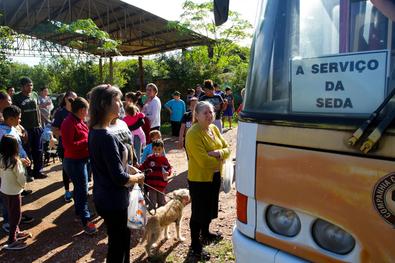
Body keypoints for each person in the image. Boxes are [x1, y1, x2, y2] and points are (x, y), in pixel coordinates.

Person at [88, 84, 144, 263]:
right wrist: (138, 177)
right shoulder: (106, 136)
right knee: (118, 245)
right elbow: (119, 178)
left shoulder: (95, 131)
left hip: (105, 197)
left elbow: (110, 166)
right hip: (113, 200)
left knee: (119, 240)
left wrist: (128, 168)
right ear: (105, 104)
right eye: (117, 100)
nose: (121, 104)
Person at [185, 101, 230, 259]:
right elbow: (203, 162)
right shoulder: (193, 133)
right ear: (196, 115)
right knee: (198, 212)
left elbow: (228, 149)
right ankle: (195, 245)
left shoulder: (214, 128)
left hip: (214, 176)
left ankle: (206, 233)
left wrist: (217, 153)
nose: (209, 115)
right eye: (205, 113)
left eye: (211, 112)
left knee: (210, 207)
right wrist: (221, 157)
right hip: (199, 179)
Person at [61, 97, 97, 235]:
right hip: (74, 161)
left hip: (83, 159)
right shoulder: (68, 123)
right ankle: (85, 220)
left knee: (80, 188)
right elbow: (68, 146)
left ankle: (79, 211)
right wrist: (87, 141)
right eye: (86, 110)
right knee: (82, 190)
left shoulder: (79, 121)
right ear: (82, 110)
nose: (87, 112)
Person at [0, 135, 33, 250]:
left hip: (4, 190)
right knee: (16, 215)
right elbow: (21, 177)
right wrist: (23, 186)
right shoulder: (16, 162)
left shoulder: (2, 158)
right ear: (15, 148)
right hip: (14, 192)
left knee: (10, 212)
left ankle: (16, 232)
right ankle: (12, 240)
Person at [12, 77, 46, 179]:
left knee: (39, 150)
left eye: (31, 85)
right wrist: (19, 128)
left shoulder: (35, 94)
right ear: (22, 87)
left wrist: (40, 124)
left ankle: (38, 171)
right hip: (25, 128)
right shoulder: (16, 97)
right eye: (28, 85)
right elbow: (15, 114)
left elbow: (38, 110)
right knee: (26, 151)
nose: (30, 87)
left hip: (36, 127)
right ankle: (28, 172)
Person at [52, 91, 77, 202]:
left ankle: (77, 191)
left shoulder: (78, 111)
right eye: (71, 98)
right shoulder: (60, 112)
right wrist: (67, 133)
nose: (73, 100)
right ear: (66, 99)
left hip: (78, 146)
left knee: (79, 169)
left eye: (75, 98)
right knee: (66, 169)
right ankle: (67, 191)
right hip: (65, 146)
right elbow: (55, 130)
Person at [139, 139, 172, 210]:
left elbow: (169, 168)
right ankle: (152, 218)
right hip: (152, 185)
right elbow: (143, 166)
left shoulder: (164, 160)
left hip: (161, 185)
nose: (157, 151)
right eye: (155, 149)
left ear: (162, 149)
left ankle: (162, 218)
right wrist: (138, 168)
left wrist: (168, 173)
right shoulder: (150, 158)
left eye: (159, 149)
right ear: (152, 149)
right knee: (152, 203)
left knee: (162, 203)